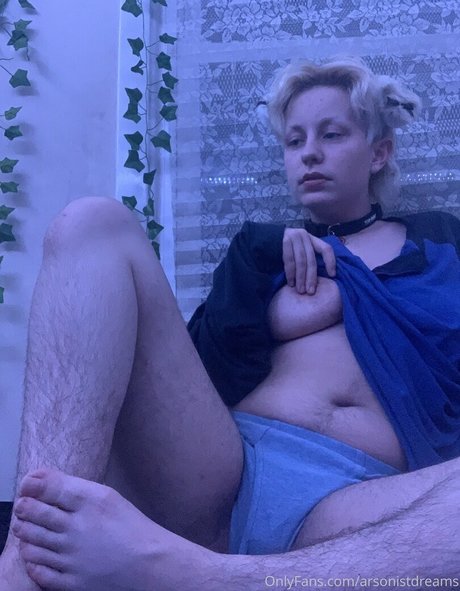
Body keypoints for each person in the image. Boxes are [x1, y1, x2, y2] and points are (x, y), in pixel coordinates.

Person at [1, 57, 459, 591]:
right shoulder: (260, 255)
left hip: (361, 502)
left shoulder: (439, 241)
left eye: (332, 134)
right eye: (294, 141)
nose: (309, 152)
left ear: (379, 152)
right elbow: (204, 371)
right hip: (224, 470)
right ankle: (26, 556)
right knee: (91, 223)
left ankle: (205, 576)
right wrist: (261, 258)